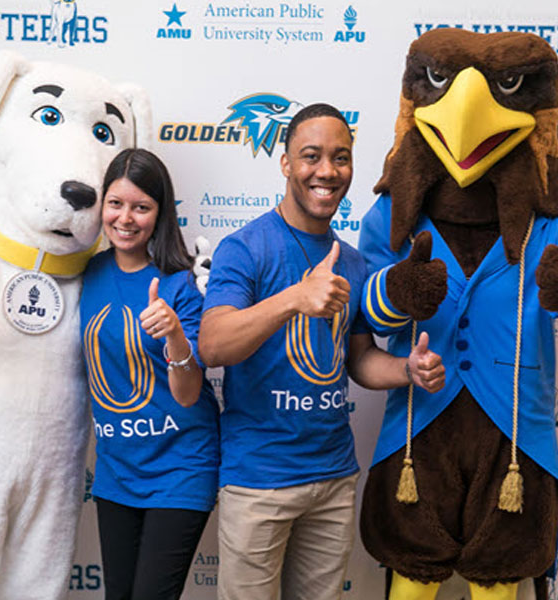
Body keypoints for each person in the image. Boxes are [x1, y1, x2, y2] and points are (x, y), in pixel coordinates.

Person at [199, 103, 446, 600]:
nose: (327, 171)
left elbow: (357, 360)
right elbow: (212, 345)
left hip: (333, 477)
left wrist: (407, 369)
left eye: (341, 158)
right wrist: (294, 298)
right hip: (259, 481)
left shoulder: (351, 262)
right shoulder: (244, 248)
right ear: (286, 163)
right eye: (311, 156)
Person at [79, 148, 219, 600]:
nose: (125, 218)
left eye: (141, 207)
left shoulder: (179, 284)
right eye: (116, 203)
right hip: (117, 469)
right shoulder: (85, 273)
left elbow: (188, 392)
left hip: (181, 466)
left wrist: (176, 336)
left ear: (159, 215)